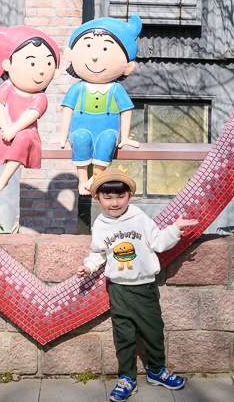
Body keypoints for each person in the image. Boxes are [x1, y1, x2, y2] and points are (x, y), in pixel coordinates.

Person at [76, 168, 199, 402]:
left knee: (153, 331)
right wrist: (88, 267)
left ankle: (157, 371)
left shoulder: (139, 217)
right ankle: (126, 379)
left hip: (144, 288)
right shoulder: (100, 224)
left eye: (120, 197)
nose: (114, 203)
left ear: (129, 196)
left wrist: (175, 228)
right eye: (108, 197)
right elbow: (98, 254)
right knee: (123, 335)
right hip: (118, 289)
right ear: (97, 198)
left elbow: (159, 242)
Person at [55, 15, 142, 195]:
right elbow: (67, 111)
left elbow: (126, 111)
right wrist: (62, 135)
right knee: (80, 139)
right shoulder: (78, 88)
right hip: (80, 128)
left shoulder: (115, 89)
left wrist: (124, 137)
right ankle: (83, 181)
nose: (94, 56)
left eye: (104, 49)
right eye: (88, 46)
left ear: (127, 66)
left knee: (108, 141)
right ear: (70, 55)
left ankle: (95, 178)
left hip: (107, 129)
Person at [0, 21, 61, 195]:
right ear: (7, 65)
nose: (40, 71)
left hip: (27, 133)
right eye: (32, 63)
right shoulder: (7, 87)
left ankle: (4, 179)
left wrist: (14, 129)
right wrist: (5, 128)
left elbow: (31, 115)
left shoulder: (40, 97)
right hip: (3, 129)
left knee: (23, 138)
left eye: (47, 65)